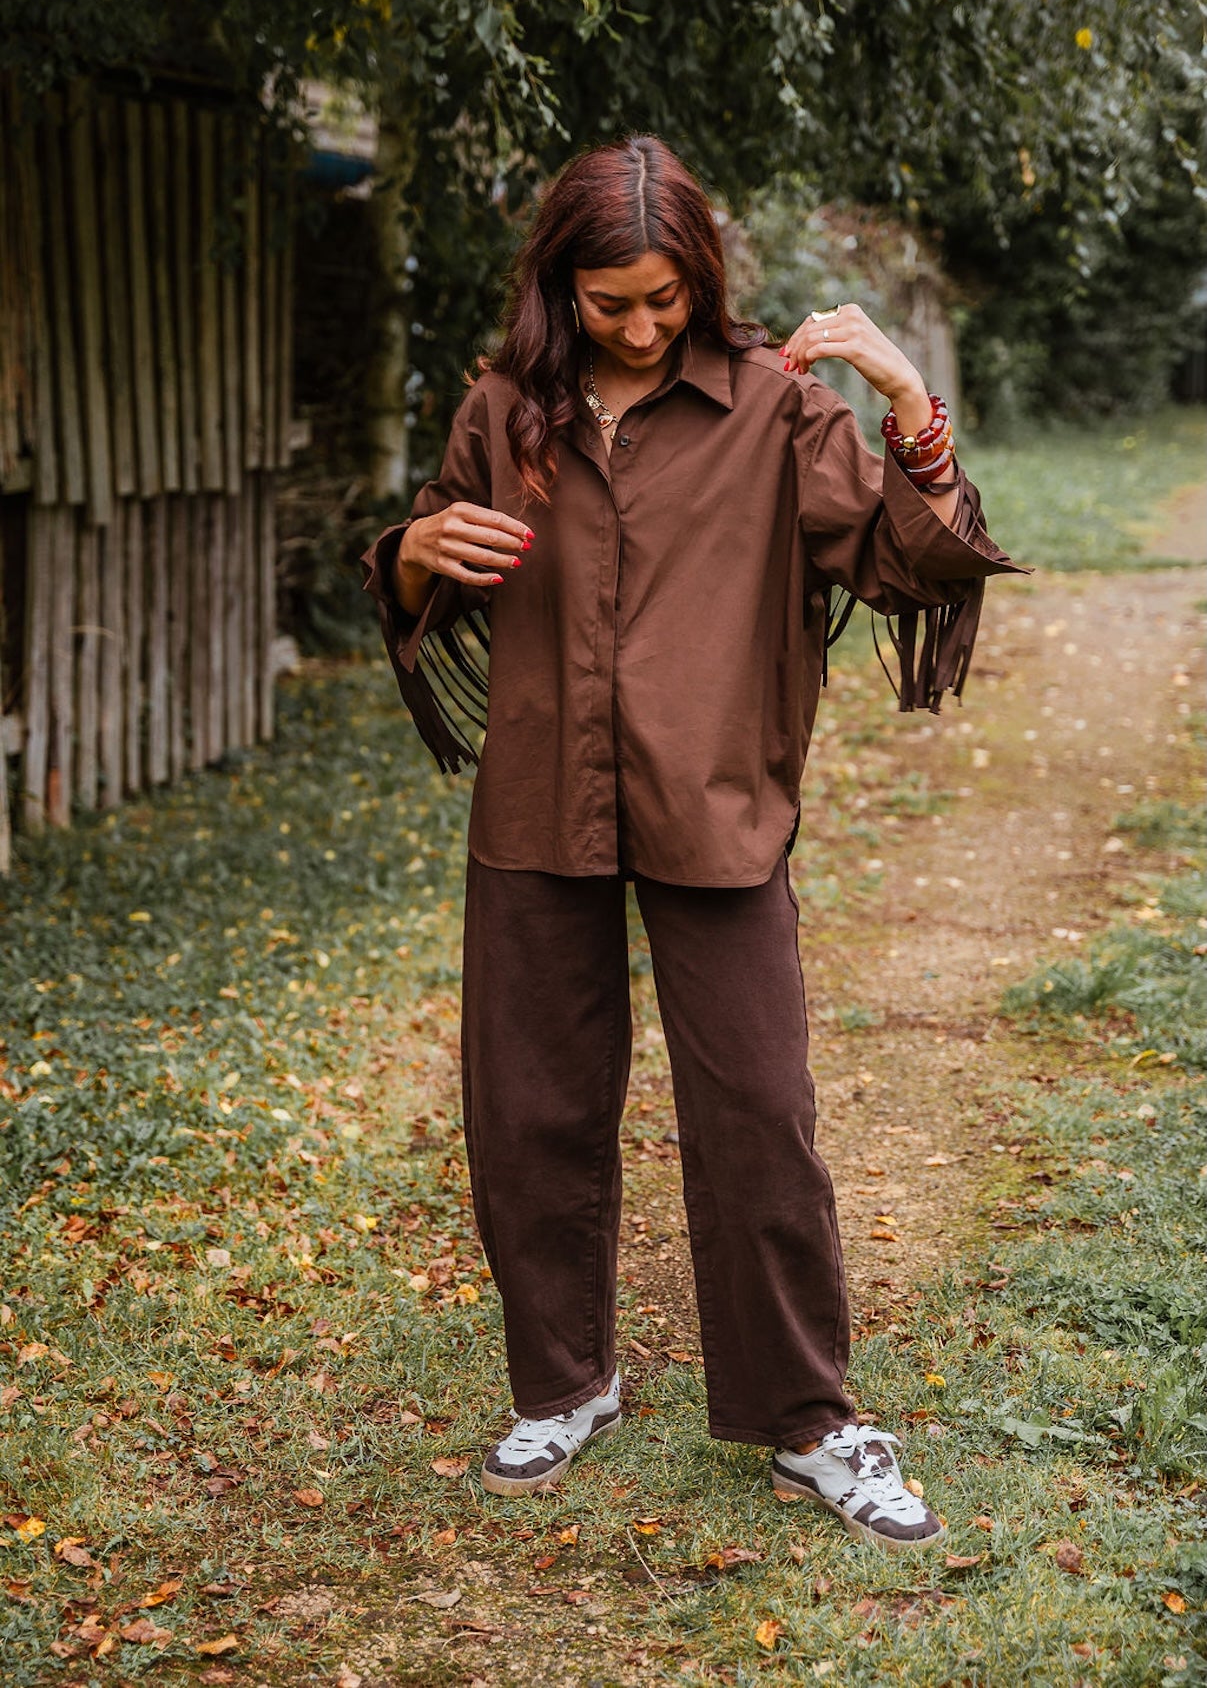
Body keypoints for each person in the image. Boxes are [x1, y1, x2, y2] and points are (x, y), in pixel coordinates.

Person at [361, 136, 1022, 1552]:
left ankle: (810, 1420)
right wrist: (409, 557)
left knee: (761, 1112)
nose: (643, 326)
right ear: (560, 288)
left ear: (702, 279)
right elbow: (436, 555)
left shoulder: (776, 413)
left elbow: (910, 561)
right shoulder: (503, 411)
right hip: (541, 797)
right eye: (611, 304)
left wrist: (907, 403)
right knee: (528, 1107)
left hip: (718, 801)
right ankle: (564, 1383)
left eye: (666, 297)